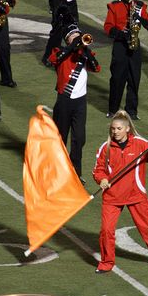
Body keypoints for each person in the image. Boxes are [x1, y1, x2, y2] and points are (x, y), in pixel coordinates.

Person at [92, 111, 148, 273]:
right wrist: (101, 179)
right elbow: (98, 169)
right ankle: (106, 263)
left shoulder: (140, 144)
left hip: (136, 194)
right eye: (113, 128)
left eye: (119, 128)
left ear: (127, 129)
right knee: (106, 230)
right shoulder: (105, 148)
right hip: (112, 196)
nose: (115, 132)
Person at [104, 0, 148, 121]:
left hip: (135, 45)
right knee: (117, 79)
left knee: (134, 79)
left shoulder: (139, 6)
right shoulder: (114, 6)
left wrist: (139, 18)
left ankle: (132, 111)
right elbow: (108, 28)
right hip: (120, 46)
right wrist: (122, 33)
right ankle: (113, 110)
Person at [48, 25, 100, 181]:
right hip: (64, 101)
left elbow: (96, 67)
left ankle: (76, 173)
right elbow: (53, 60)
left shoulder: (84, 54)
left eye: (79, 35)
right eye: (74, 36)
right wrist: (72, 46)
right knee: (60, 138)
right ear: (68, 39)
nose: (78, 37)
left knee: (79, 139)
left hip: (80, 103)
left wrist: (85, 51)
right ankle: (57, 170)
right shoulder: (60, 53)